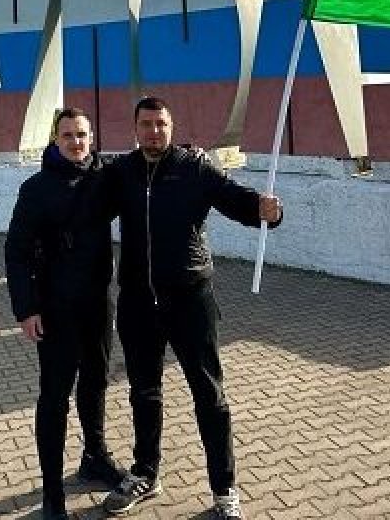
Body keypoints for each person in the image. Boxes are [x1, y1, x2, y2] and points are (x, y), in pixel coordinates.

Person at [100, 96, 281, 520]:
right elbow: (85, 202)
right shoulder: (122, 173)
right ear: (136, 128)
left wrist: (266, 211)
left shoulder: (195, 168)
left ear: (171, 125)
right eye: (146, 124)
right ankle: (145, 474)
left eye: (161, 124)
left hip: (190, 299)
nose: (155, 132)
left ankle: (224, 490)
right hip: (138, 302)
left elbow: (236, 200)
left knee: (209, 396)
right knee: (144, 393)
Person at [5, 108, 128, 520]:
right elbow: (17, 252)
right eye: (68, 136)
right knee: (55, 397)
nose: (76, 142)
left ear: (92, 138)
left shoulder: (105, 177)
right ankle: (53, 492)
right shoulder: (35, 188)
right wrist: (26, 309)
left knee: (95, 382)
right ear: (55, 140)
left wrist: (188, 157)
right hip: (55, 307)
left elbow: (148, 172)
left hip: (96, 301)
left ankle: (94, 456)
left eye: (82, 135)